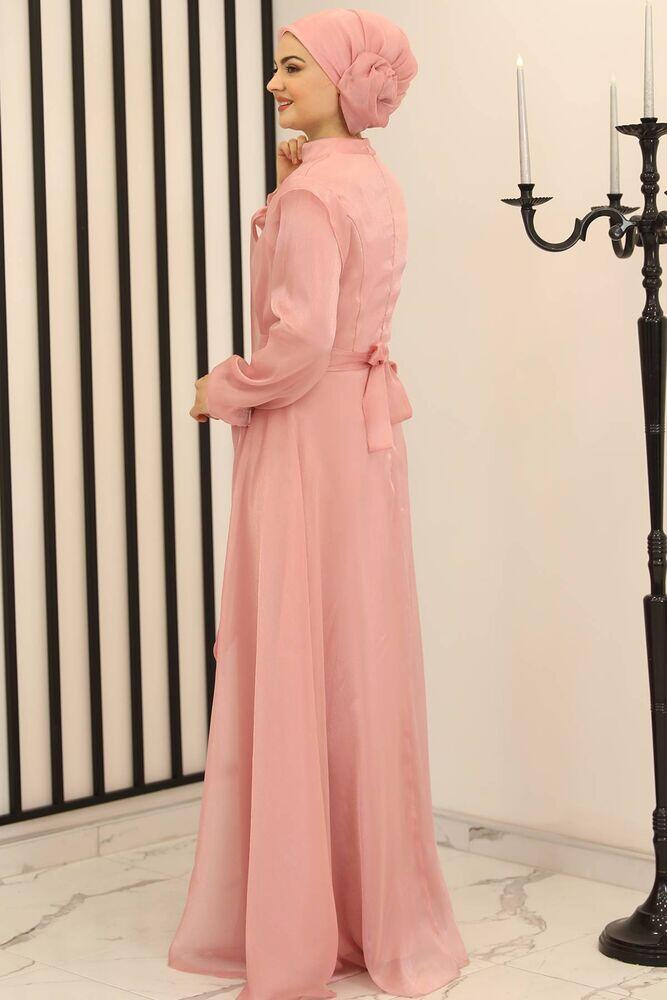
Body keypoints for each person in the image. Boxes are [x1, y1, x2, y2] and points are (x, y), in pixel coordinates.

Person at [168, 8, 469, 999]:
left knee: (299, 653)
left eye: (292, 68)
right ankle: (371, 907)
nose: (275, 84)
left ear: (339, 82)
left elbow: (297, 345)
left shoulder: (308, 196)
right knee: (356, 658)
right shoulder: (372, 183)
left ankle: (301, 919)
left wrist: (223, 387)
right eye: (276, 67)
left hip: (306, 437)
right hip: (365, 444)